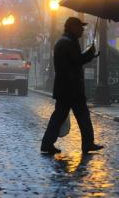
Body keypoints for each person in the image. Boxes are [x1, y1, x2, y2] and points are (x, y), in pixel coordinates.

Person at [41, 17, 103, 155]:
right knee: (80, 116)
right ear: (72, 27)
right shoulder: (68, 43)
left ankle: (47, 143)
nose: (82, 30)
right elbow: (77, 61)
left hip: (66, 88)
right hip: (71, 88)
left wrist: (89, 54)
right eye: (80, 27)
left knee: (60, 117)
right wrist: (89, 54)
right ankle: (87, 144)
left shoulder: (65, 42)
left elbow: (75, 60)